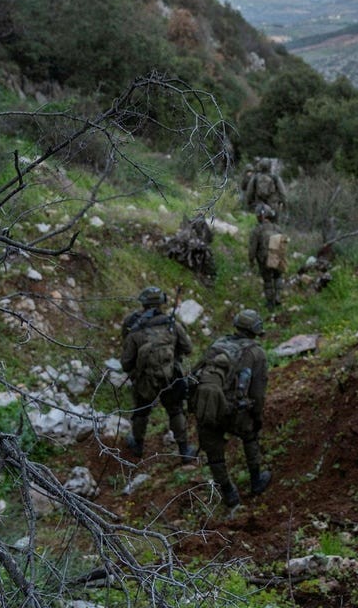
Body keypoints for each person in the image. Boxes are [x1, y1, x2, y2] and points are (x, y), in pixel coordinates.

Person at [191, 309, 272, 508]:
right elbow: (258, 393)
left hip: (211, 407)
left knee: (214, 452)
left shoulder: (217, 345)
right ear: (255, 330)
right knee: (250, 436)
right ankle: (256, 481)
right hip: (236, 411)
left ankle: (228, 492)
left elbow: (195, 374)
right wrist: (257, 416)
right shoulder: (256, 353)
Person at [120, 286, 195, 461]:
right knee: (176, 411)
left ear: (143, 303)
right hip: (170, 376)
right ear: (162, 303)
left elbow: (126, 363)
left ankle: (138, 445)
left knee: (141, 411)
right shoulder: (172, 325)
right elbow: (188, 348)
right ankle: (184, 450)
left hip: (145, 380)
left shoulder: (135, 329)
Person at [248, 202, 287, 309]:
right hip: (278, 257)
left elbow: (252, 248)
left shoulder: (257, 230)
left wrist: (251, 260)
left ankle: (270, 303)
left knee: (268, 280)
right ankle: (278, 296)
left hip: (264, 259)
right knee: (278, 276)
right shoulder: (277, 228)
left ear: (260, 216)